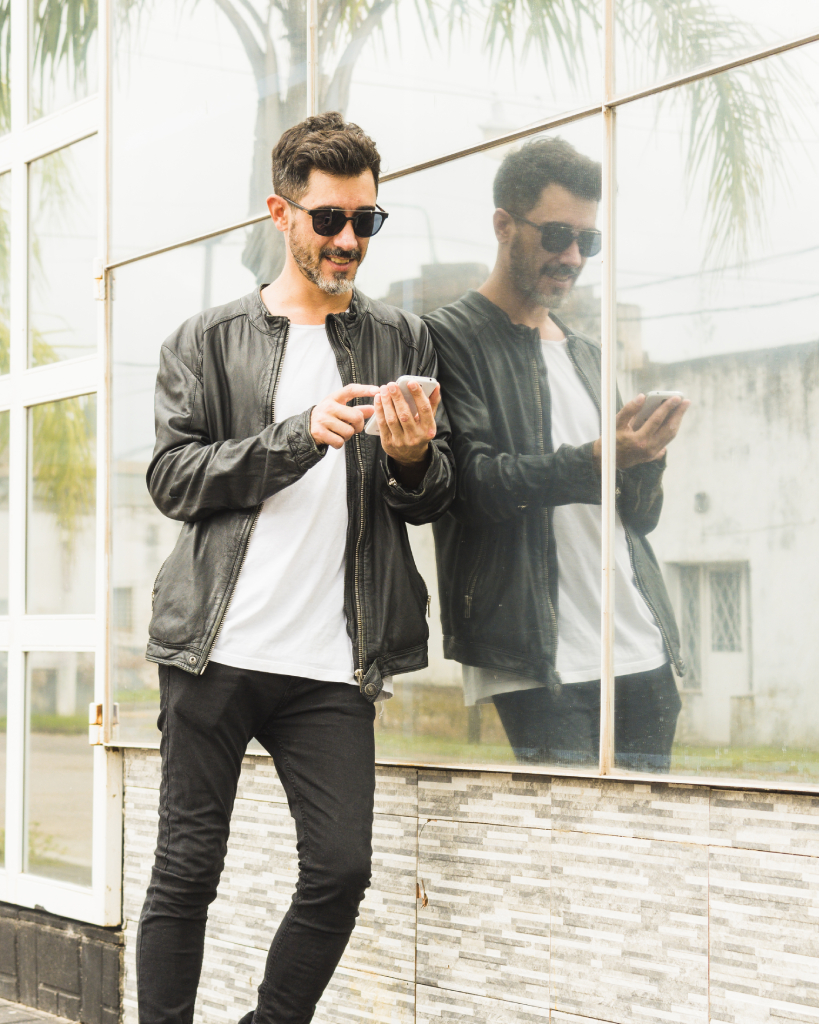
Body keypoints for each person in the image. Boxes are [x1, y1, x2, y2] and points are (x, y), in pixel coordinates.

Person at [137, 112, 454, 1024]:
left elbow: (429, 498)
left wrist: (411, 459)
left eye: (366, 220)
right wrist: (294, 437)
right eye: (329, 219)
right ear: (281, 214)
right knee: (187, 870)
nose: (349, 240)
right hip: (214, 651)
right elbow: (172, 477)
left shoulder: (402, 339)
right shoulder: (204, 340)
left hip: (332, 664)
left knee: (341, 870)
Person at [424, 136, 689, 770]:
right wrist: (600, 458)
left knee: (651, 830)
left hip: (639, 645)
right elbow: (472, 486)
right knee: (569, 831)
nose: (572, 257)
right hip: (535, 659)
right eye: (557, 236)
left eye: (587, 242)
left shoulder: (588, 355)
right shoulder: (446, 339)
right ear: (503, 225)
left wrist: (647, 457)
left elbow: (638, 519)